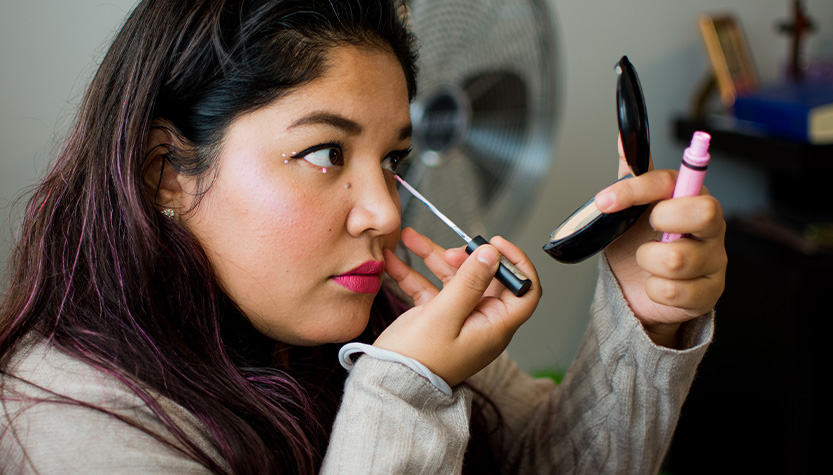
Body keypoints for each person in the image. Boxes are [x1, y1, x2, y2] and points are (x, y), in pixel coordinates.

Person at [0, 0, 727, 473]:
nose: (385, 212)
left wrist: (644, 316)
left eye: (394, 160)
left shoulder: (389, 322)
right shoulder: (66, 420)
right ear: (165, 171)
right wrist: (404, 395)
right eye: (326, 152)